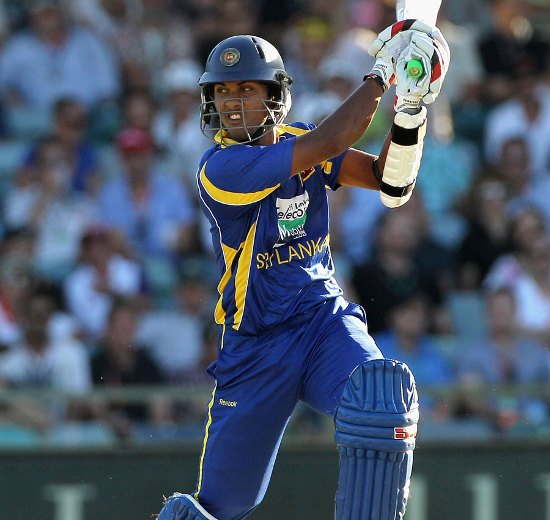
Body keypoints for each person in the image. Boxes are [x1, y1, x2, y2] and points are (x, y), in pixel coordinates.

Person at [158, 23, 450, 520]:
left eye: (246, 89)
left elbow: (389, 182)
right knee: (218, 508)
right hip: (256, 344)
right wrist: (383, 72)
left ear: (275, 96)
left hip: (322, 322)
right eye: (222, 92)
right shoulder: (221, 169)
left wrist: (411, 109)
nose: (232, 103)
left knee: (381, 401)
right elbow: (333, 138)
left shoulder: (301, 141)